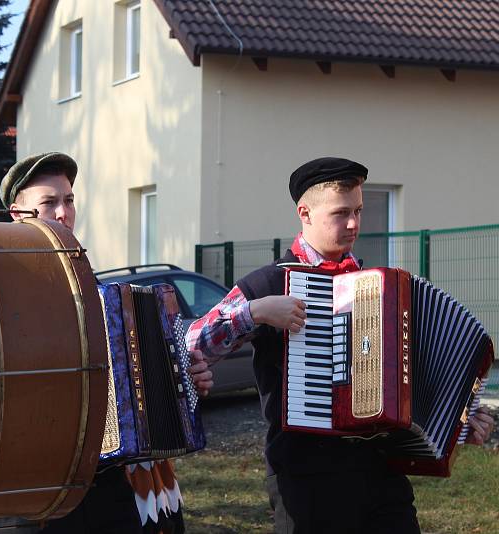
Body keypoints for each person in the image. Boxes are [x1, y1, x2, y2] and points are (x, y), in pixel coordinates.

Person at [186, 157, 495, 533]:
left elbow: (414, 385)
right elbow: (194, 342)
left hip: (381, 470)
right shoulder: (269, 283)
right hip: (306, 478)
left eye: (359, 211)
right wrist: (256, 311)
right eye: (341, 213)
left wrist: (462, 422)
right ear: (305, 213)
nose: (353, 224)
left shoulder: (381, 289)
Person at [0, 152, 214, 534]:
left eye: (69, 200)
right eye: (48, 203)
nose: (64, 213)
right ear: (18, 213)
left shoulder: (90, 283)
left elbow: (136, 372)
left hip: (111, 480)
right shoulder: (4, 285)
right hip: (43, 487)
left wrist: (183, 376)